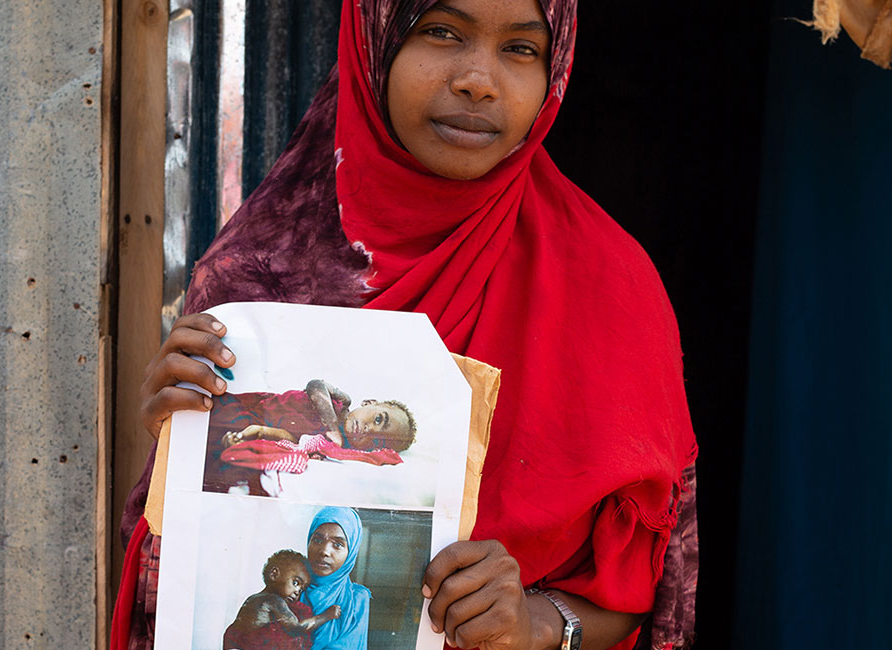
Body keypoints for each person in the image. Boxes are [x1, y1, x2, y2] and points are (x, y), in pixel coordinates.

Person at [114, 1, 699, 649]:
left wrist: (539, 623)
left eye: (522, 49)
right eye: (442, 32)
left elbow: (641, 596)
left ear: (553, 70)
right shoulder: (256, 274)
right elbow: (190, 572)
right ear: (375, 44)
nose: (479, 78)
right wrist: (184, 447)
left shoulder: (609, 285)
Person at [215, 379, 417, 453]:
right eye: (379, 419)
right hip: (253, 404)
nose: (369, 429)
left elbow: (294, 439)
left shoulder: (330, 446)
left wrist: (260, 432)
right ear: (369, 403)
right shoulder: (341, 401)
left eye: (376, 440)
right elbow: (315, 385)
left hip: (252, 423)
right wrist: (332, 427)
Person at [223, 549, 342, 650]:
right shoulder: (274, 600)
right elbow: (297, 628)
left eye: (301, 589)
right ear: (274, 574)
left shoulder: (255, 598)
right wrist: (326, 615)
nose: (297, 591)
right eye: (295, 583)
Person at [302, 507, 370, 650]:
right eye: (317, 539)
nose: (324, 551)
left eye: (338, 544)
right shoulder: (293, 589)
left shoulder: (356, 599)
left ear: (351, 552)